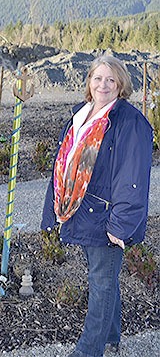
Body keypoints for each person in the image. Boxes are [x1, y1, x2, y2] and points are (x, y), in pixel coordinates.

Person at [41, 54, 153, 357]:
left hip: (106, 219)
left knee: (101, 283)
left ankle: (88, 351)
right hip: (80, 211)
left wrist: (121, 225)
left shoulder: (129, 122)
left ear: (121, 85)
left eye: (110, 79)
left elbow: (133, 177)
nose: (103, 84)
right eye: (97, 78)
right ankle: (112, 338)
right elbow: (62, 163)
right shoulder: (82, 114)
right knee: (104, 278)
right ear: (89, 82)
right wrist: (53, 210)